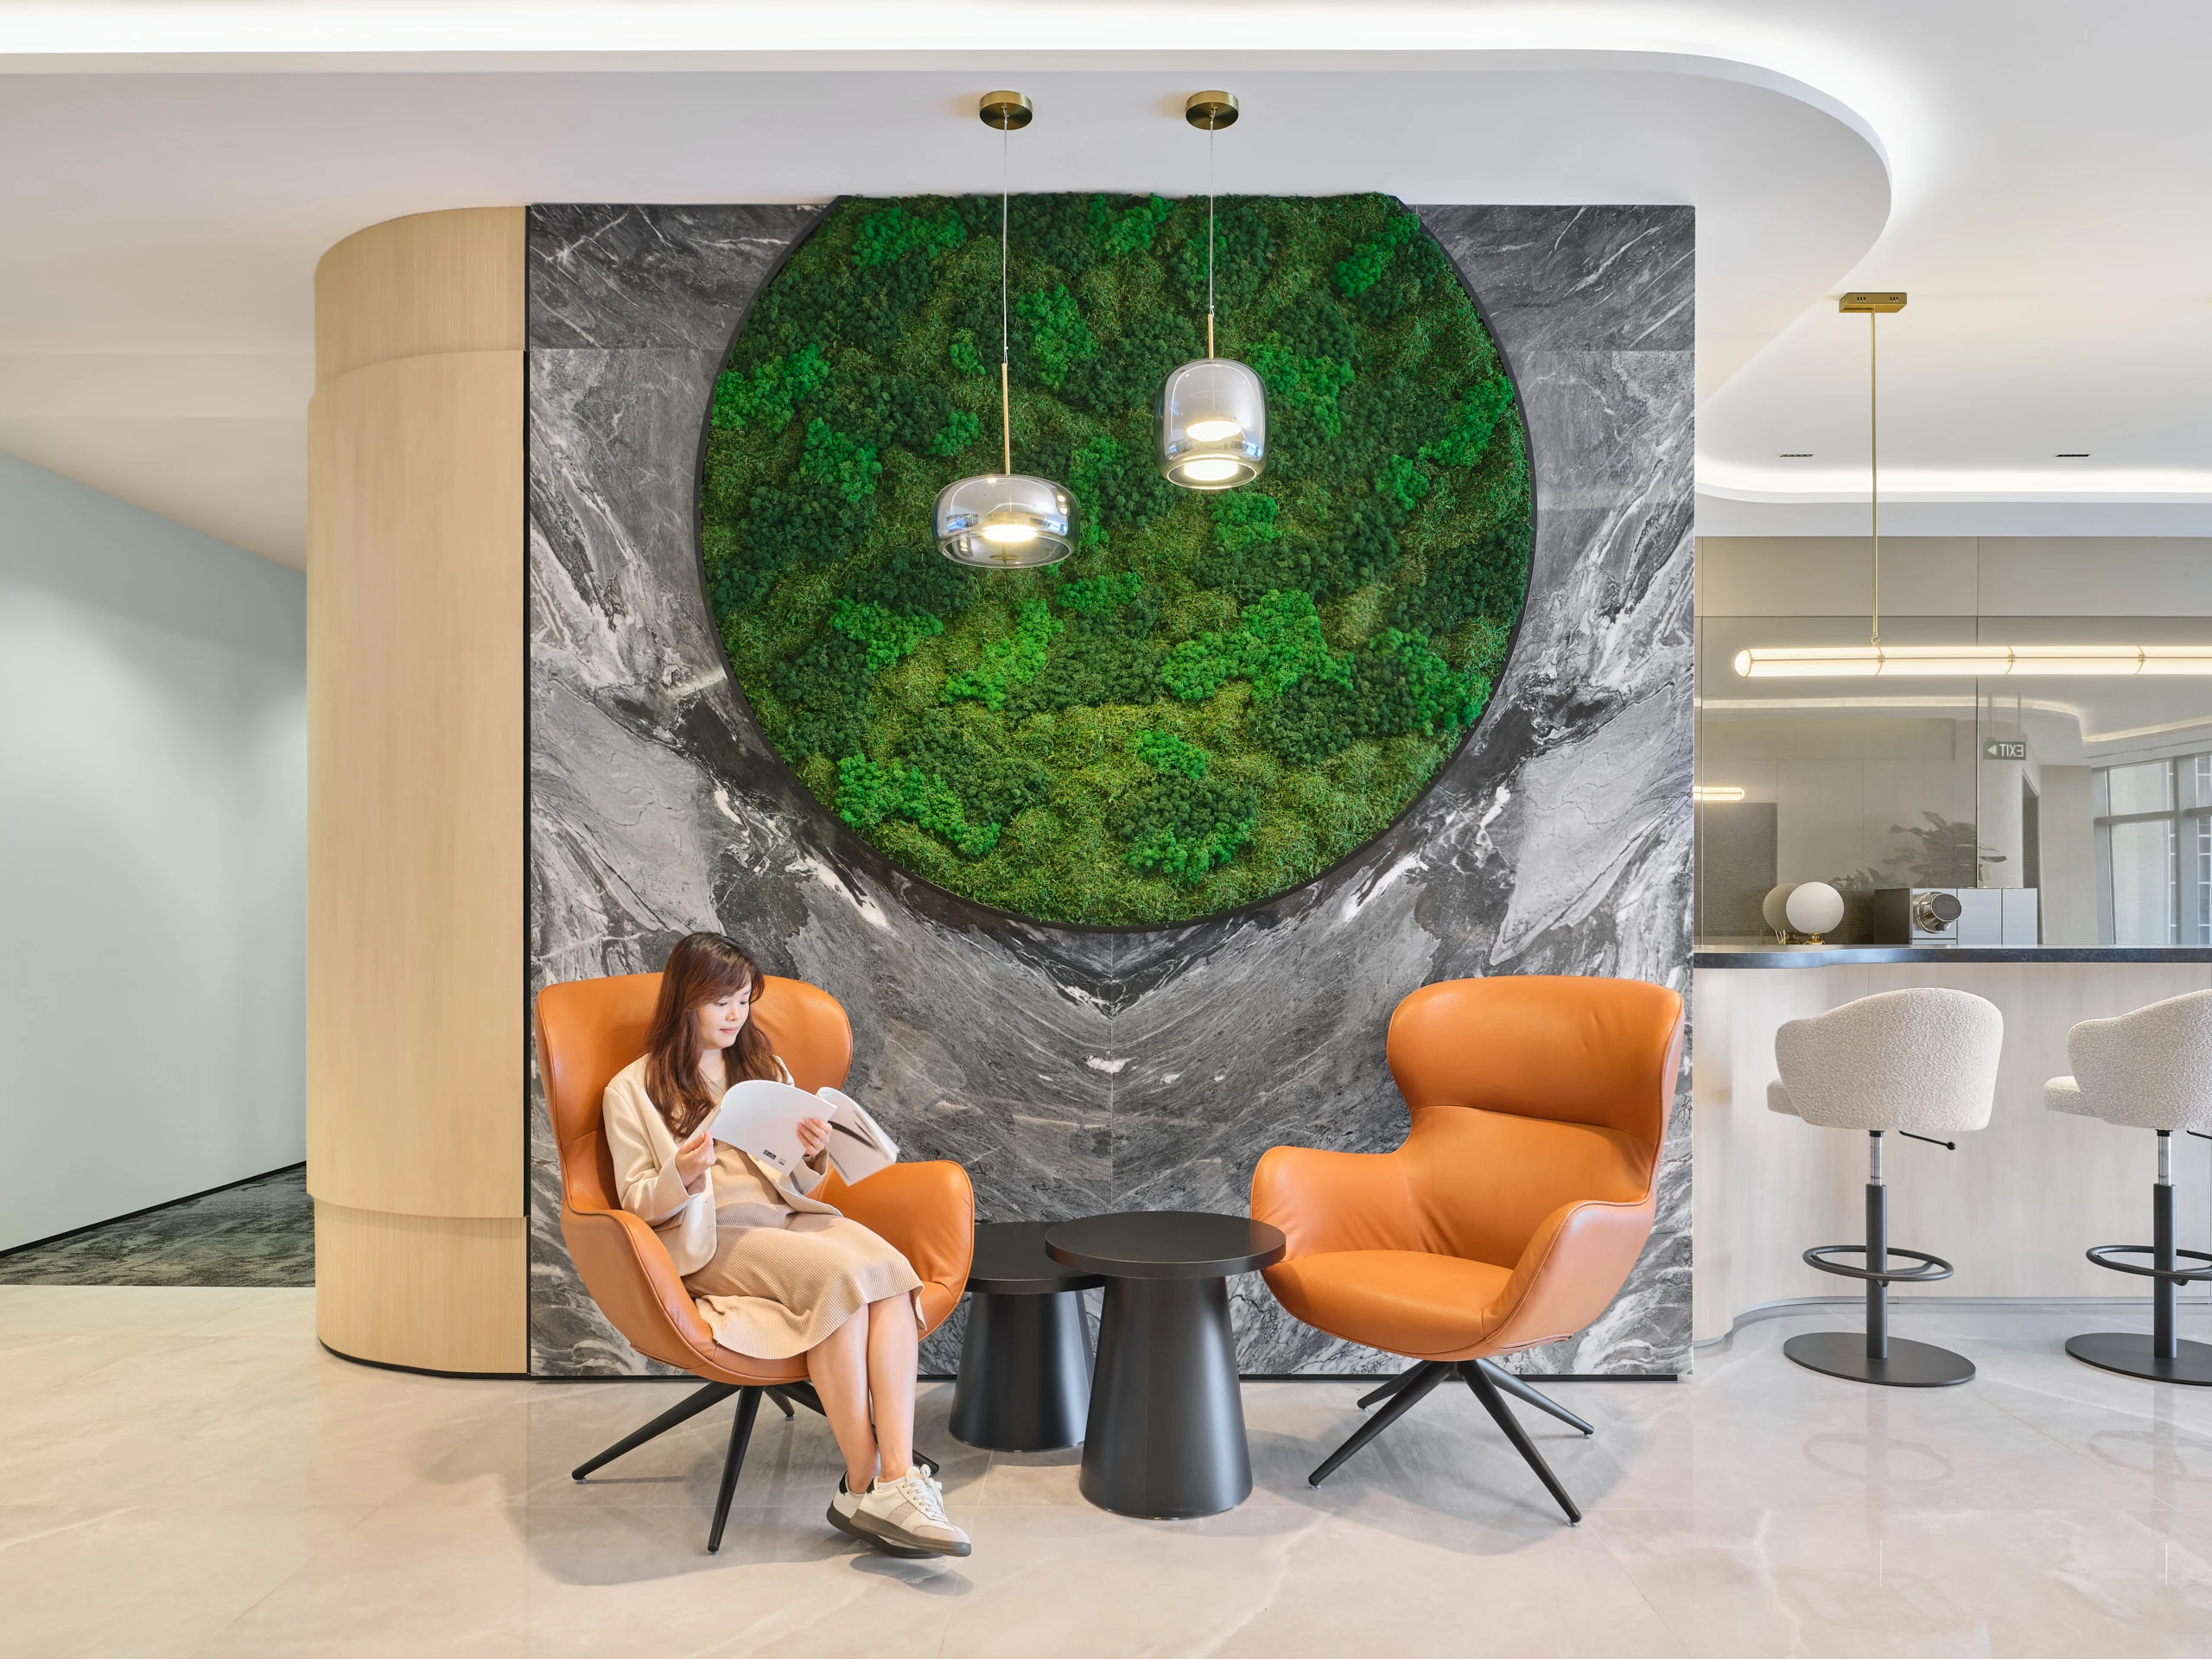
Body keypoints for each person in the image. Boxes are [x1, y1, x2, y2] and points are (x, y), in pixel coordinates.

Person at [601, 931, 969, 1559]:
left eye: (744, 1001)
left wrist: (814, 1151)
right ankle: (863, 1483)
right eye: (721, 1002)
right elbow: (634, 1200)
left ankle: (895, 1479)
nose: (735, 1016)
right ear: (685, 1000)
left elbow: (801, 1179)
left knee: (891, 1271)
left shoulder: (764, 1068)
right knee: (838, 1280)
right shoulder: (630, 1090)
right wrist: (682, 1174)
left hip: (785, 1214)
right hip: (714, 1235)